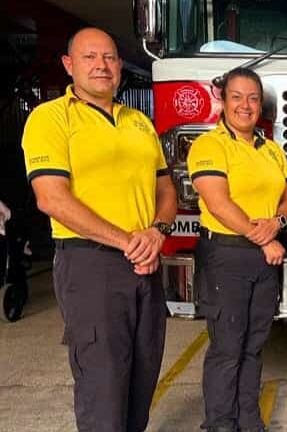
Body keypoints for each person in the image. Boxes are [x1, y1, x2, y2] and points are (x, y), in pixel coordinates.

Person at [21, 27, 177, 431]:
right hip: (91, 265)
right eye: (89, 57)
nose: (101, 65)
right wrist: (130, 242)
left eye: (109, 57)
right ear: (69, 65)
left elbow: (166, 189)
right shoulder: (50, 119)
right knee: (103, 391)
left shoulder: (139, 122)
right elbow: (52, 198)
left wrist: (157, 232)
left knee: (142, 382)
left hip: (146, 264)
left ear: (120, 66)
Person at [187, 67, 287, 432]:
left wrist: (278, 224)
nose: (245, 105)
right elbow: (218, 204)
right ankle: (219, 424)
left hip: (265, 258)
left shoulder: (271, 149)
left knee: (254, 345)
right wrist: (265, 238)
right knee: (227, 348)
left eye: (253, 98)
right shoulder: (209, 145)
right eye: (237, 97)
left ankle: (250, 421)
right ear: (223, 99)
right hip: (226, 257)